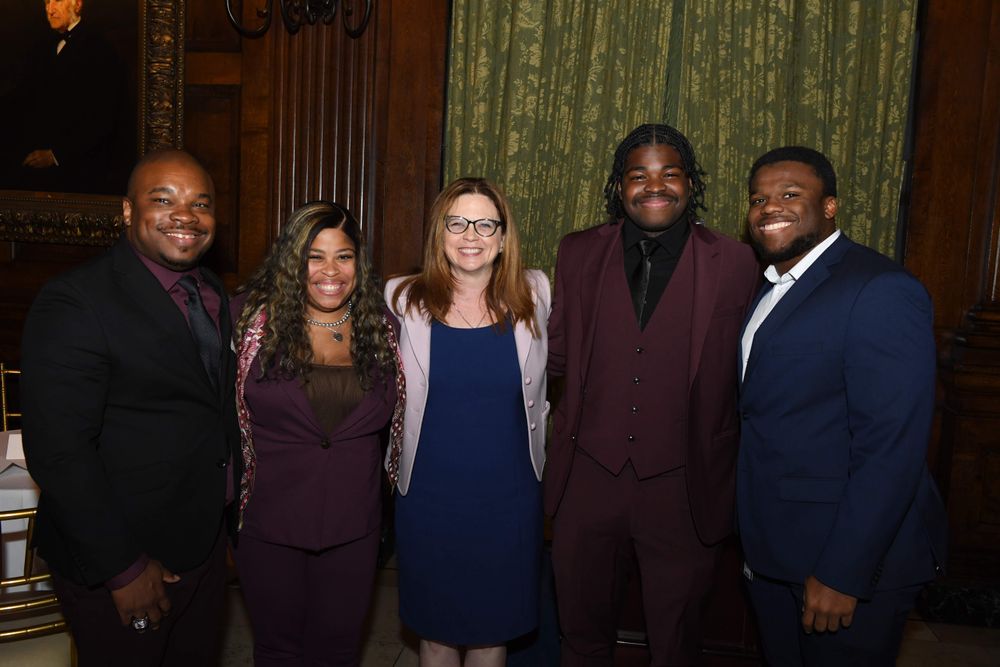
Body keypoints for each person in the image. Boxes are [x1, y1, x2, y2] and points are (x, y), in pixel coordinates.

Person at [545, 123, 760, 665]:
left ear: (691, 184)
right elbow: (552, 353)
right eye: (638, 175)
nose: (654, 186)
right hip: (587, 480)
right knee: (580, 633)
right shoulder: (577, 252)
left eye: (669, 174)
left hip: (685, 488)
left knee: (676, 642)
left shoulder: (736, 261)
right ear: (620, 187)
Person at [20, 149, 239, 665]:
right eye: (163, 199)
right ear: (126, 211)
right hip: (124, 561)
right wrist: (122, 568)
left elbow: (210, 414)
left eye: (200, 203)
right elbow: (58, 451)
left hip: (203, 550)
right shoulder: (76, 300)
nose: (186, 215)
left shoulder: (211, 292)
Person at [737, 146, 947, 665]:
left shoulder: (879, 289)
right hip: (776, 551)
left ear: (830, 206)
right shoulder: (770, 289)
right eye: (759, 198)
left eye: (790, 194)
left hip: (843, 563)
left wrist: (843, 572)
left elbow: (891, 447)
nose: (770, 207)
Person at [385, 177, 550, 666]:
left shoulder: (538, 293)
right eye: (457, 222)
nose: (470, 235)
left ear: (502, 238)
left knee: (490, 633)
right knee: (435, 634)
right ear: (440, 233)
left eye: (484, 223)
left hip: (510, 496)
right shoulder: (400, 298)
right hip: (428, 497)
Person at [231, 200, 403, 665]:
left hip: (355, 525)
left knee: (338, 651)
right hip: (270, 521)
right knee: (277, 650)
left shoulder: (386, 330)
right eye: (315, 256)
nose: (331, 270)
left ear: (358, 262)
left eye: (344, 256)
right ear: (293, 260)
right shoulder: (248, 322)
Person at [2, 0, 125, 193]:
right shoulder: (40, 47)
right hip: (35, 169)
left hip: (79, 172)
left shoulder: (99, 49)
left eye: (57, 1)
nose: (50, 10)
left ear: (77, 5)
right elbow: (22, 101)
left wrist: (55, 155)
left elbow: (102, 118)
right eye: (46, 3)